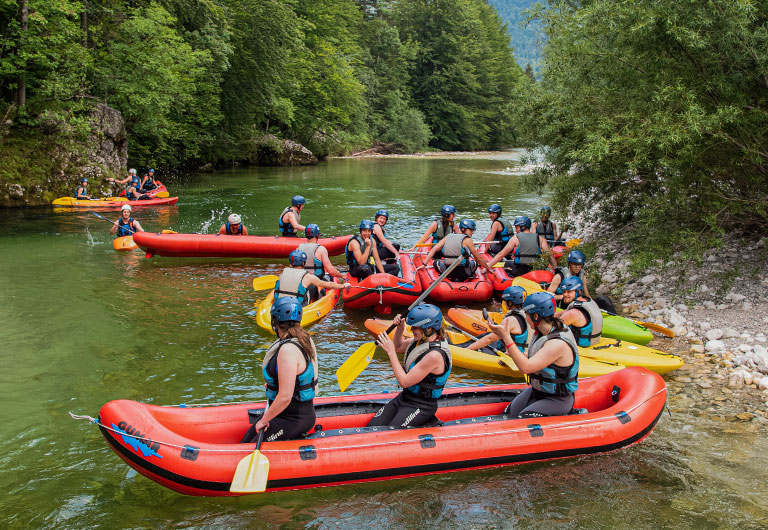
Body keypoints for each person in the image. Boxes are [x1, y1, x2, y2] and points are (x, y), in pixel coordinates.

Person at [486, 291, 579, 418]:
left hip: (557, 399)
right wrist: (515, 352)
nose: (525, 317)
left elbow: (526, 368)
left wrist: (506, 337)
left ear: (536, 316)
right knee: (507, 415)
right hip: (537, 391)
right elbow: (536, 359)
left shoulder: (557, 344)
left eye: (527, 314)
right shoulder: (543, 331)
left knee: (522, 420)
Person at [240, 297, 318, 442]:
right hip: (284, 413)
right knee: (247, 439)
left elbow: (285, 397)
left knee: (252, 445)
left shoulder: (288, 350)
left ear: (275, 321)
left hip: (294, 418)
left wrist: (264, 420)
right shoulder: (301, 339)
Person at [369, 304, 452, 428]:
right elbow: (398, 346)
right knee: (372, 427)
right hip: (404, 397)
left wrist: (390, 352)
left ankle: (428, 422)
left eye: (416, 327)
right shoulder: (419, 342)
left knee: (390, 433)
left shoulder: (434, 355)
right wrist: (400, 328)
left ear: (428, 329)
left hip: (421, 405)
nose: (412, 329)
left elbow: (404, 382)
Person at [421, 219, 493, 282]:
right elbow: (478, 258)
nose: (472, 232)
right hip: (464, 272)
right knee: (474, 262)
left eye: (473, 230)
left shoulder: (447, 237)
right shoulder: (468, 240)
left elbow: (433, 249)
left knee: (436, 263)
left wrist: (424, 264)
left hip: (447, 271)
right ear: (463, 229)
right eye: (470, 230)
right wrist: (488, 268)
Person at [487, 216, 556, 277]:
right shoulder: (541, 239)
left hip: (520, 270)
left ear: (523, 227)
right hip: (536, 269)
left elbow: (501, 255)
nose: (515, 230)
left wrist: (487, 267)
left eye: (517, 228)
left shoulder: (515, 238)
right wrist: (555, 269)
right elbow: (550, 256)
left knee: (506, 264)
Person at [275, 250, 349, 305]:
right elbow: (329, 285)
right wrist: (343, 285)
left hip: (280, 304)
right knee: (313, 286)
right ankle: (315, 303)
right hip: (298, 306)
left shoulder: (282, 274)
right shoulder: (307, 277)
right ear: (303, 263)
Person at [467, 286, 529, 353]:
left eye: (505, 300)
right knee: (486, 335)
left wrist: (467, 350)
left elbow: (489, 339)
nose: (504, 303)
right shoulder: (525, 315)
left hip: (508, 355)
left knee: (485, 339)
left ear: (510, 303)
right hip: (516, 350)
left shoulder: (510, 320)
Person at [557, 277, 603, 347]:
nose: (565, 295)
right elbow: (565, 312)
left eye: (569, 291)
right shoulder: (587, 301)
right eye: (564, 291)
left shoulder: (573, 313)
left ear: (579, 292)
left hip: (581, 347)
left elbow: (553, 331)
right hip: (594, 342)